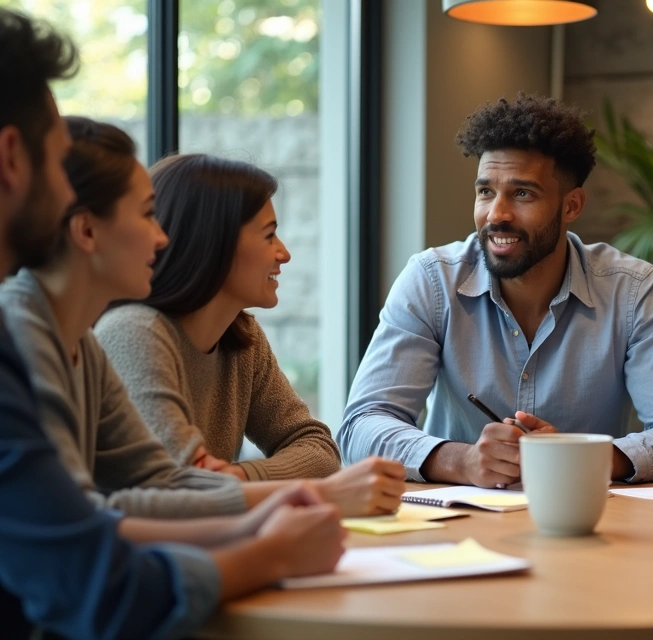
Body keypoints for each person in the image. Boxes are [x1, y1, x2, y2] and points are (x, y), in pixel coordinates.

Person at [0, 9, 343, 638]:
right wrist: (270, 542)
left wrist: (254, 512)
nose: (162, 238)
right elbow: (93, 555)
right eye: (147, 215)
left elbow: (154, 488)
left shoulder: (80, 343)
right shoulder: (53, 333)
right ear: (13, 159)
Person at [4, 118, 401, 518]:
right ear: (213, 241)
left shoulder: (233, 336)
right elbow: (155, 494)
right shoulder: (122, 331)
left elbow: (177, 484)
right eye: (268, 235)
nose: (161, 237)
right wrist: (310, 497)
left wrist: (241, 480)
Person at [339, 93, 653, 487]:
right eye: (486, 192)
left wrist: (576, 457)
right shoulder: (431, 281)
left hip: (584, 515)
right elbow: (361, 426)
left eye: (523, 194)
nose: (497, 215)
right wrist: (462, 461)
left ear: (571, 206)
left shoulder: (634, 292)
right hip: (457, 518)